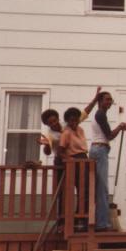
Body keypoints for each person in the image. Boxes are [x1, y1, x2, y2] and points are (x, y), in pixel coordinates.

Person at [38, 87, 100, 226]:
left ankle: (79, 219)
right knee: (63, 191)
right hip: (61, 160)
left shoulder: (69, 124)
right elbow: (49, 151)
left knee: (81, 187)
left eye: (54, 120)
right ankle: (62, 220)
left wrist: (96, 99)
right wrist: (46, 145)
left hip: (75, 160)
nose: (54, 123)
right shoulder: (50, 135)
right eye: (50, 123)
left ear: (58, 118)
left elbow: (85, 112)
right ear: (47, 124)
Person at [89, 91, 126, 232]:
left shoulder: (100, 114)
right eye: (106, 99)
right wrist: (120, 126)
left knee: (100, 187)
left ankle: (102, 221)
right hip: (100, 150)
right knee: (102, 188)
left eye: (111, 100)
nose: (109, 102)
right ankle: (102, 224)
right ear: (100, 101)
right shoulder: (100, 114)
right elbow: (110, 135)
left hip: (98, 150)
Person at [59, 107, 90, 231]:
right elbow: (60, 152)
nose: (74, 122)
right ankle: (75, 221)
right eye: (71, 120)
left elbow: (83, 148)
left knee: (86, 191)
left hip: (84, 160)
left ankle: (82, 220)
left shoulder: (81, 130)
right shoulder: (66, 133)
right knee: (78, 191)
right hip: (74, 162)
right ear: (67, 121)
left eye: (76, 119)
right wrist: (70, 159)